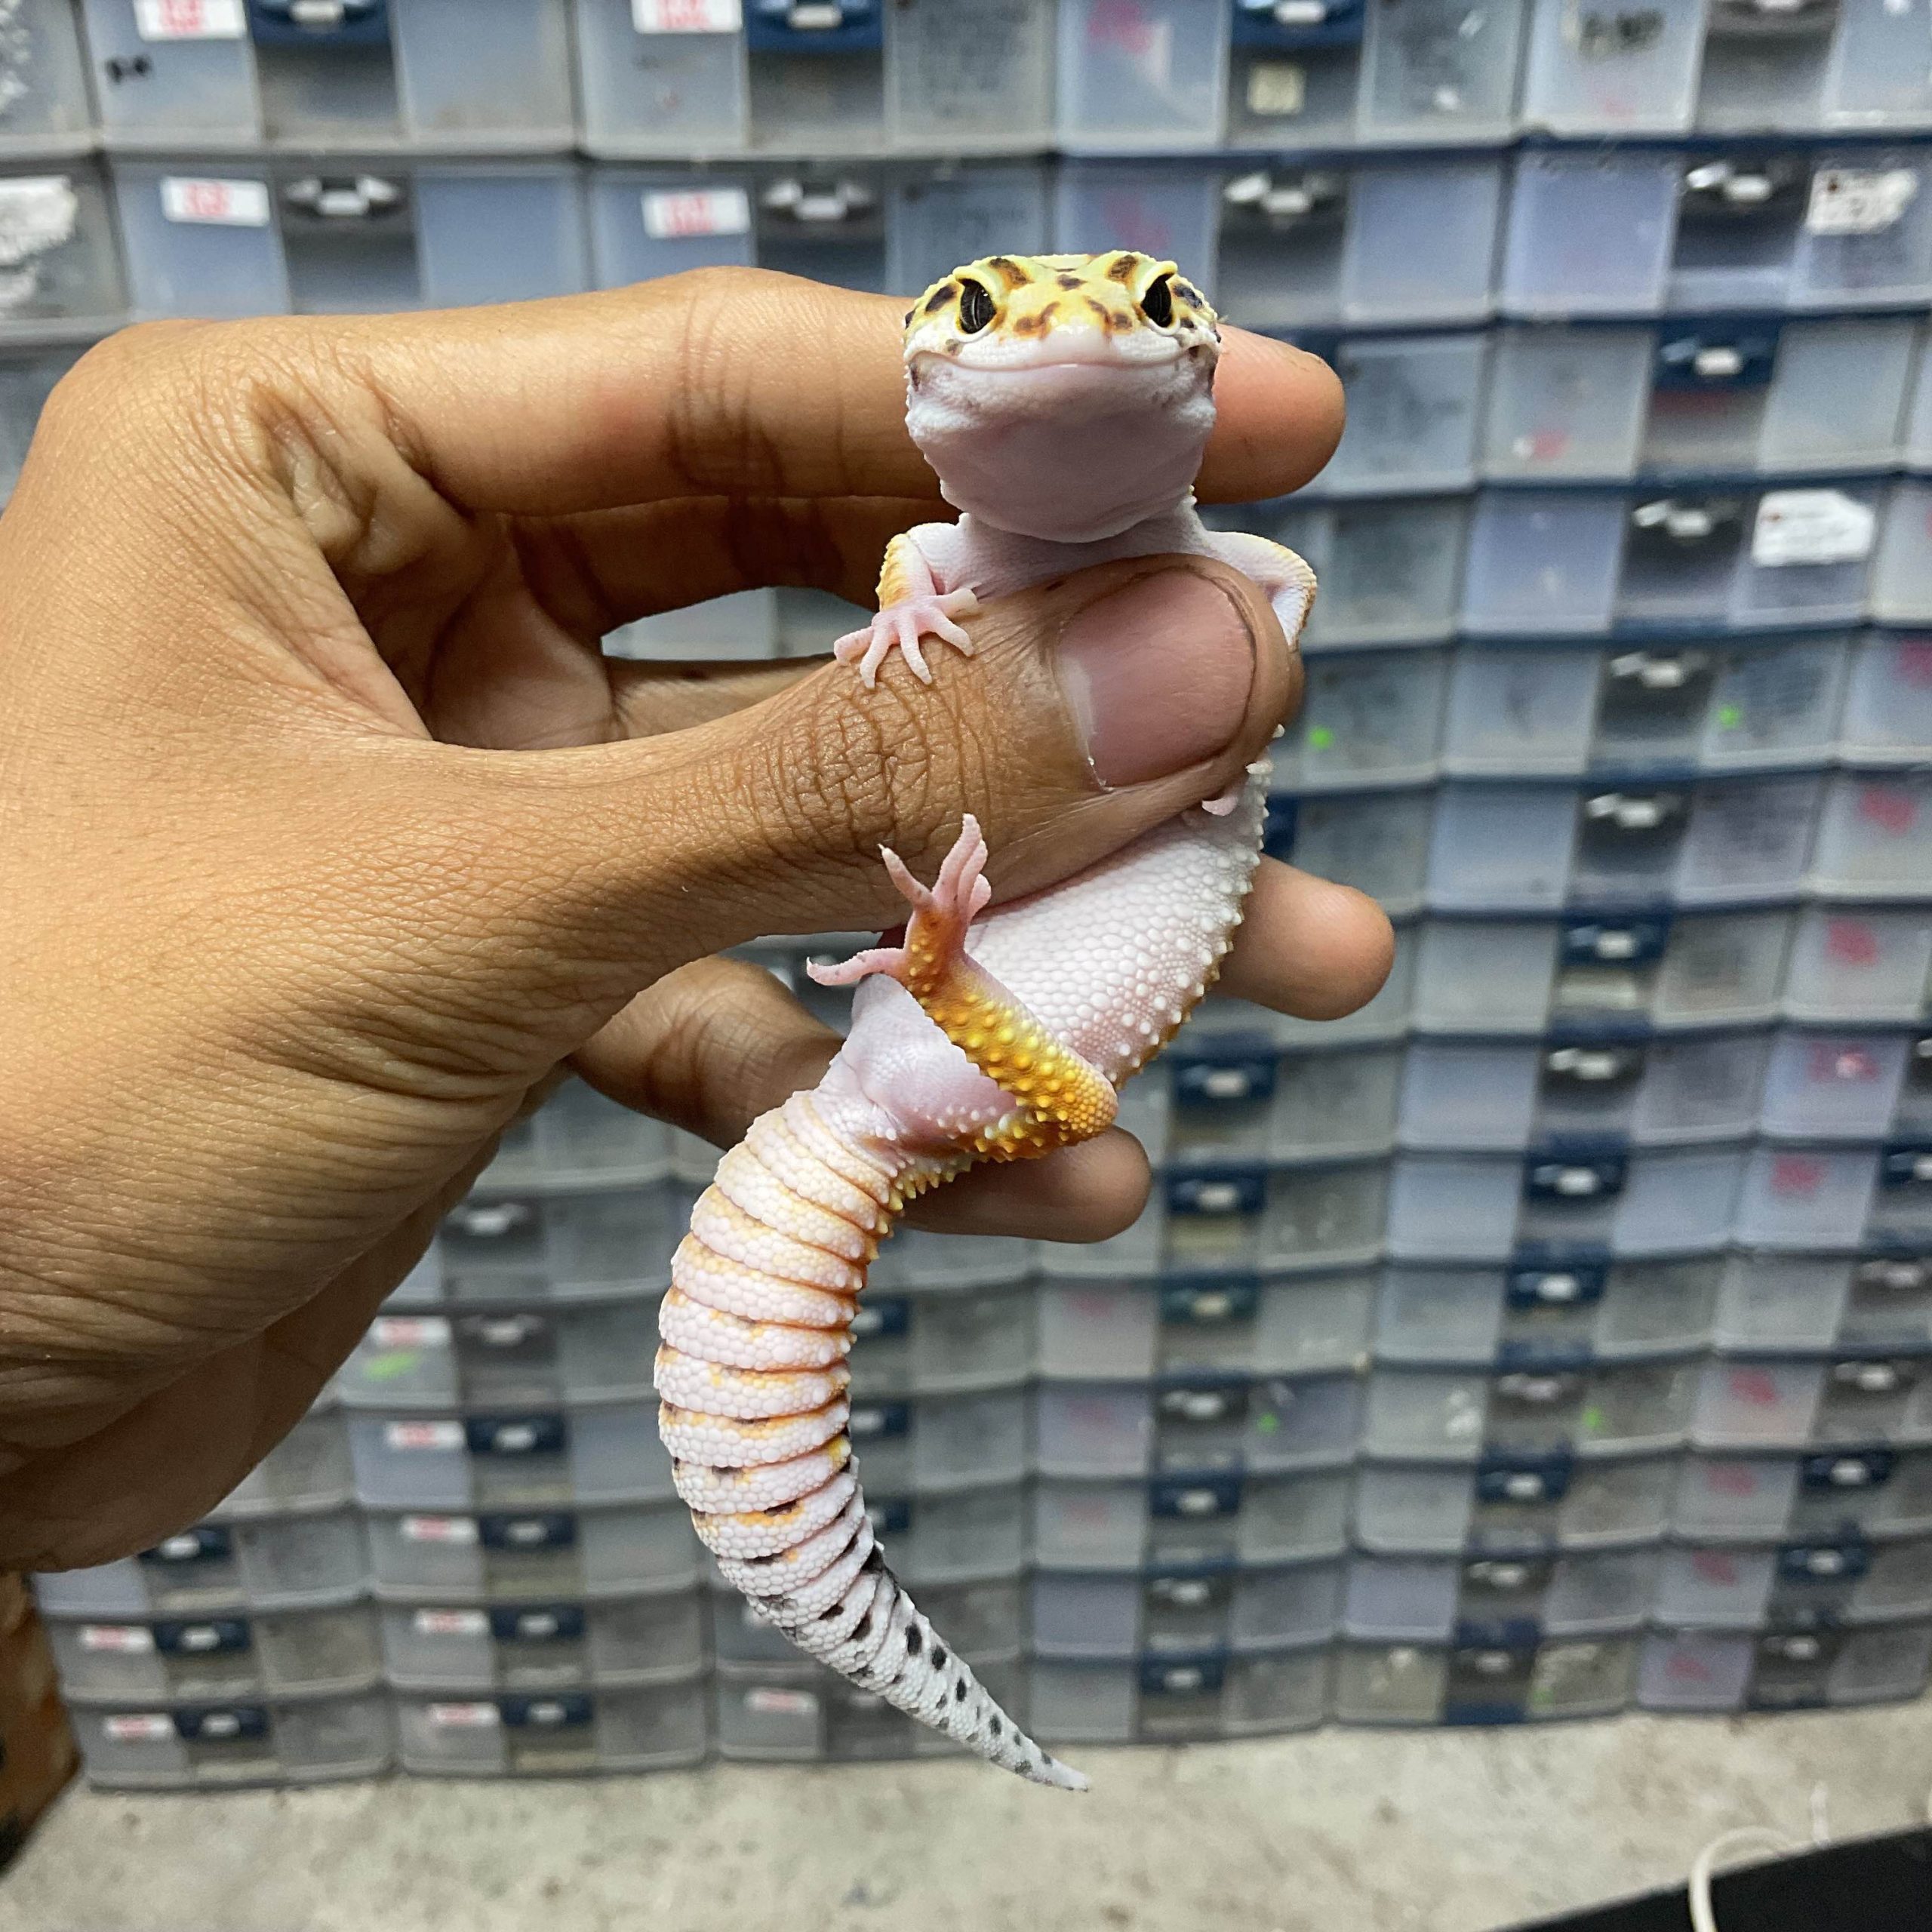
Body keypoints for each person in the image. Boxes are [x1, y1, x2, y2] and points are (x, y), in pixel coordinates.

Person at [0, 268, 1389, 1576]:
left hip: (962, 1024)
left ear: (1196, 369)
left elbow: (1276, 585)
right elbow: (1152, 582)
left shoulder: (1195, 557)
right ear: (924, 389)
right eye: (982, 310)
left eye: (1147, 303)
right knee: (1074, 1114)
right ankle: (936, 980)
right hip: (978, 1037)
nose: (1067, 329)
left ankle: (935, 980)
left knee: (1061, 1114)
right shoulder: (975, 552)